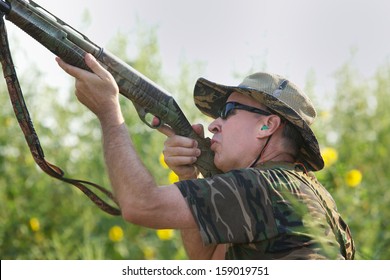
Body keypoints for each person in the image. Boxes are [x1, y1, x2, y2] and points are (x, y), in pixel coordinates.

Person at [56, 53, 355, 260]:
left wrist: (109, 113)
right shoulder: (299, 189)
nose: (213, 124)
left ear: (267, 125)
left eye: (228, 112)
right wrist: (189, 175)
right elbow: (209, 262)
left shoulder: (265, 186)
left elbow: (139, 206)